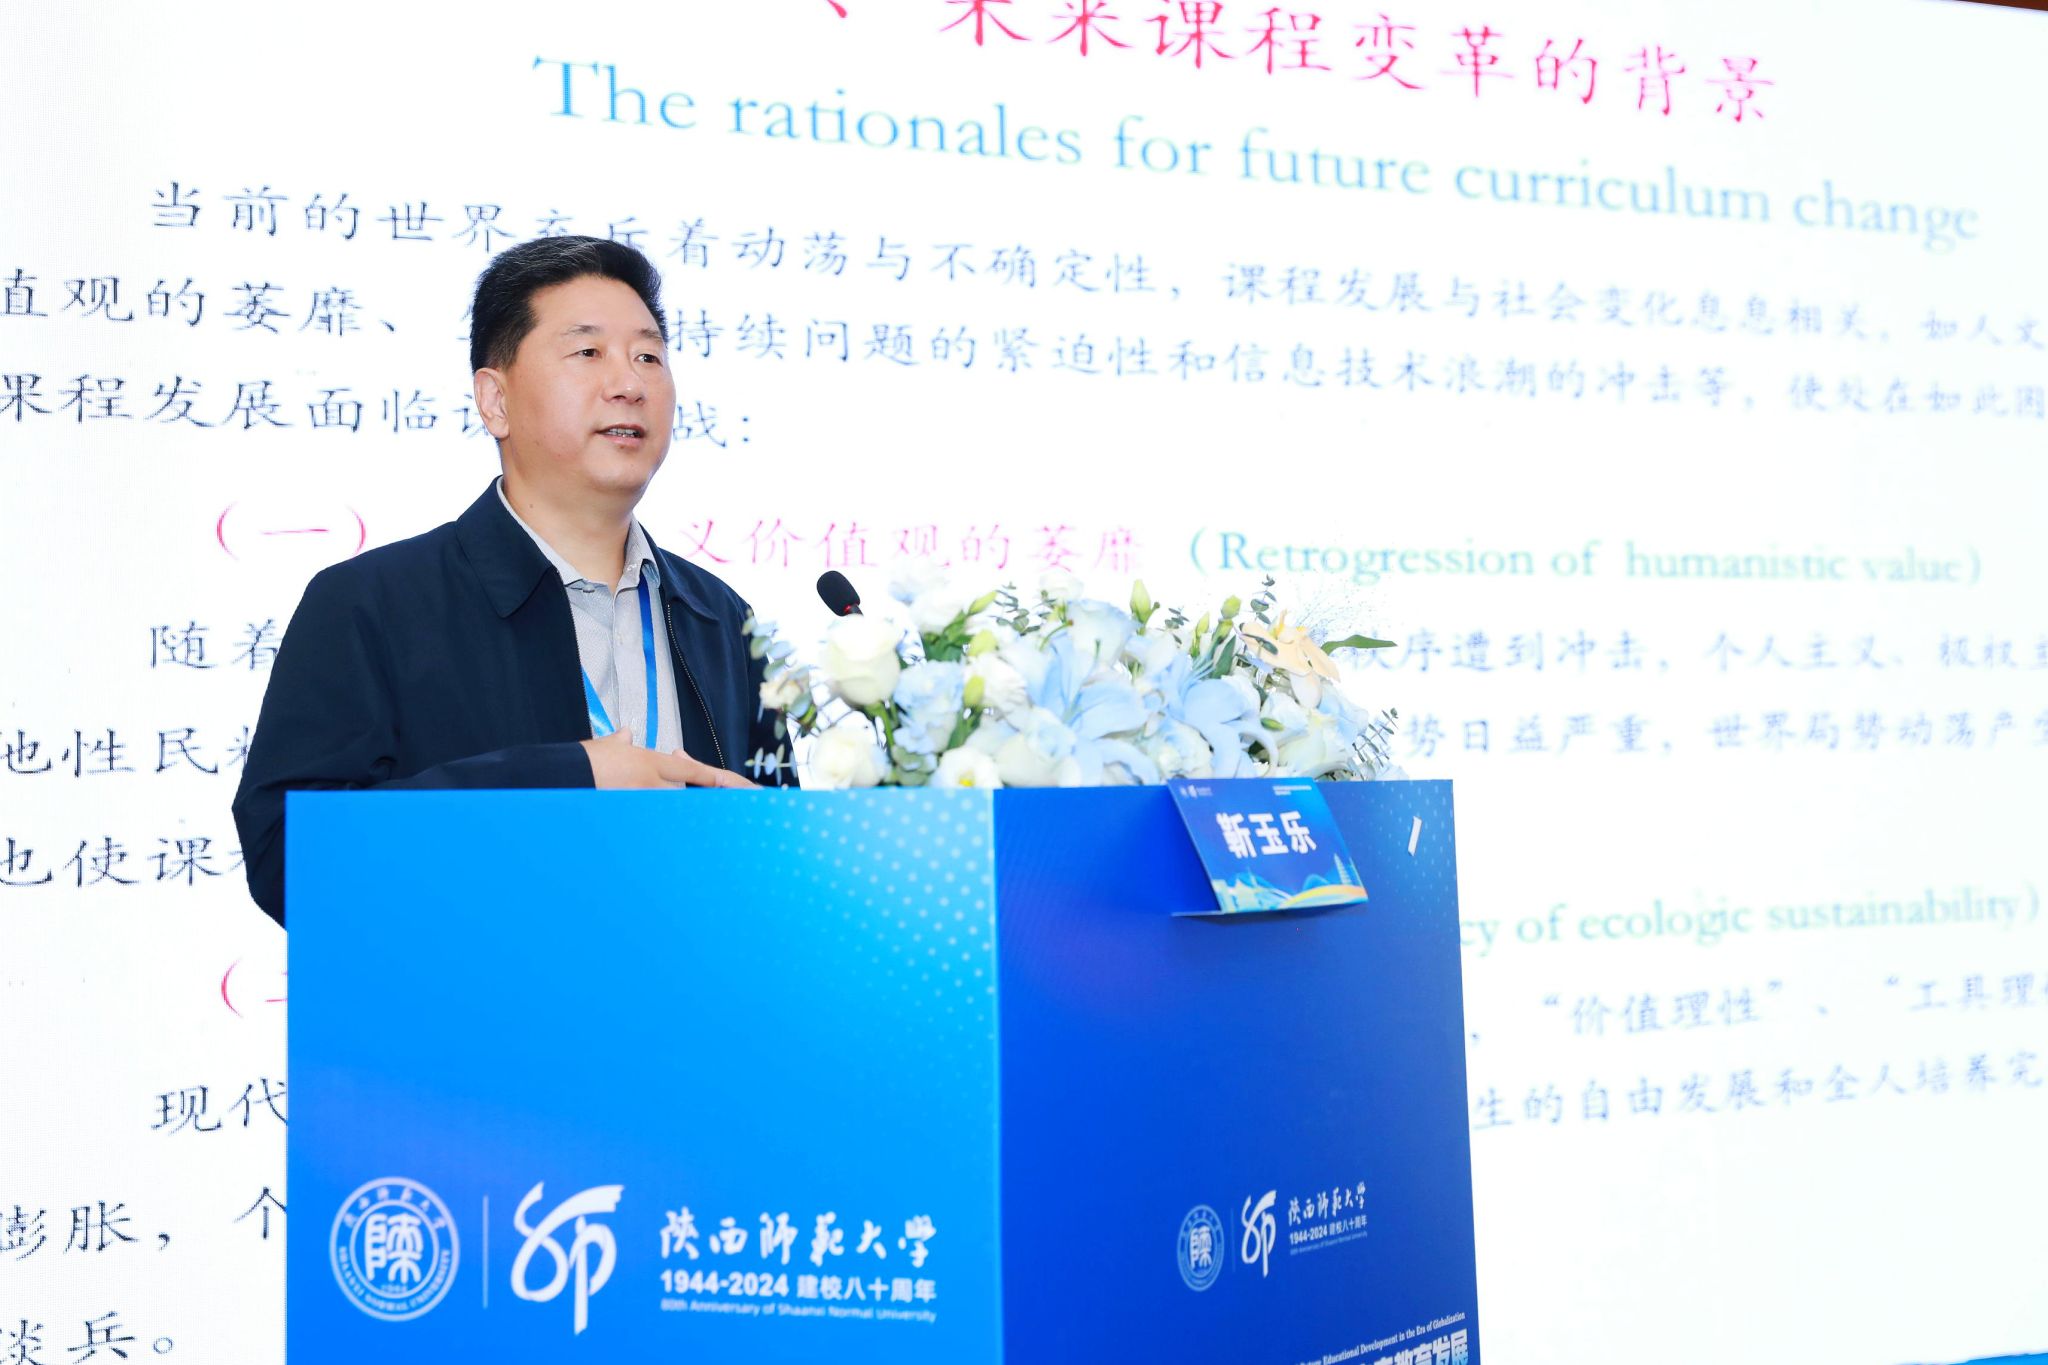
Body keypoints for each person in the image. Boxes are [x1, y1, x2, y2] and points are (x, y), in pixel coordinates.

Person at [231, 236, 792, 926]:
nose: (629, 383)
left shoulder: (722, 619)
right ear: (495, 400)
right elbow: (288, 856)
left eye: (649, 356)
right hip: (472, 993)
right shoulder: (370, 604)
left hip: (693, 990)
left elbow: (782, 864)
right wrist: (568, 781)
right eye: (588, 352)